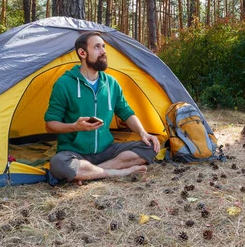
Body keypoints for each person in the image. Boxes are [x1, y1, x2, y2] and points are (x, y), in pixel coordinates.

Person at [45, 31, 160, 185]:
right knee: (58, 164)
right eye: (97, 47)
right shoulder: (64, 84)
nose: (104, 51)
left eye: (104, 47)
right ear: (82, 53)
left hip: (107, 151)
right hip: (74, 152)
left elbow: (126, 113)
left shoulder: (111, 84)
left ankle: (90, 173)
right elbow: (50, 124)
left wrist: (143, 133)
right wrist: (75, 126)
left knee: (151, 147)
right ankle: (115, 172)